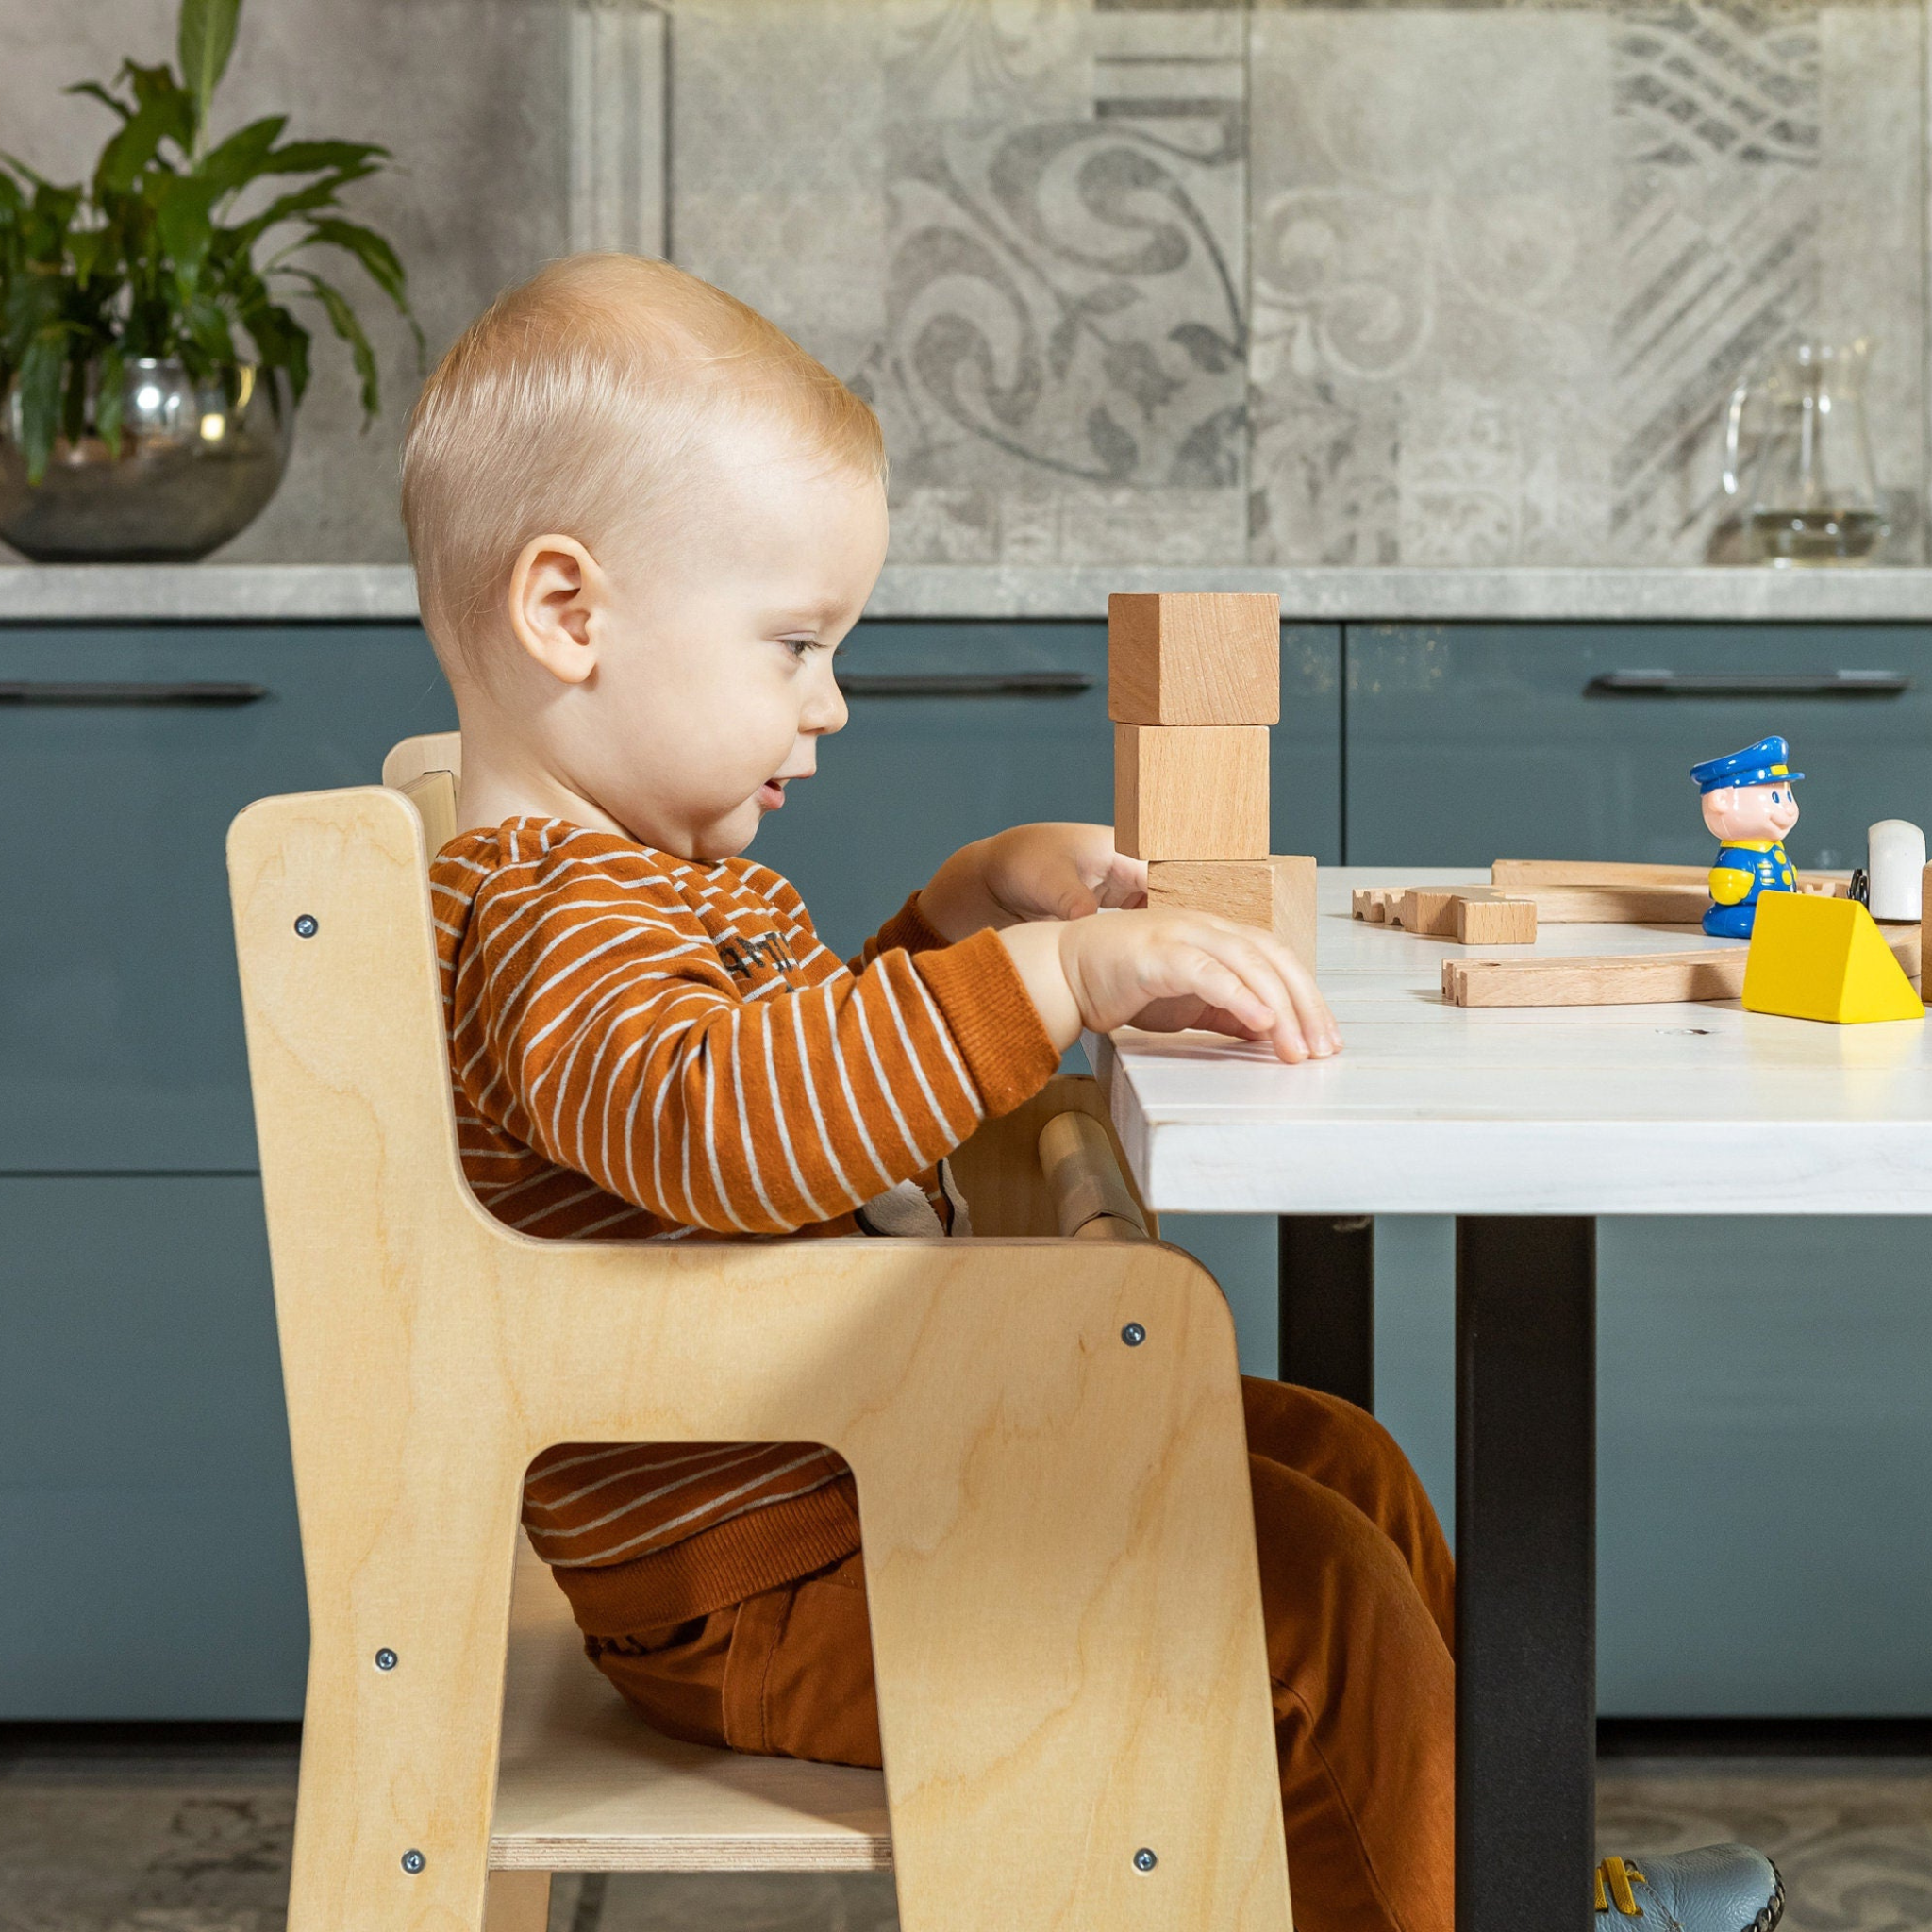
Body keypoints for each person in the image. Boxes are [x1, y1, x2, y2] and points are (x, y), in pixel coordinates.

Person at [399, 252, 1783, 1932]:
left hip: (837, 1495)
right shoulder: (553, 909)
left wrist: (962, 910)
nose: (826, 702)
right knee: (1307, 1589)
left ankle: (1492, 1875)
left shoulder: (625, 886)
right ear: (568, 613)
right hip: (767, 1580)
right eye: (793, 643)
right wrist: (1044, 982)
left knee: (1324, 1458)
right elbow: (723, 1127)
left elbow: (796, 1079)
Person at [1692, 736, 1803, 938]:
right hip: (1745, 912)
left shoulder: (1774, 847)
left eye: (1788, 796)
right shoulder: (1737, 856)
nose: (1788, 808)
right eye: (1775, 798)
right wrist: (1730, 884)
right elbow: (1725, 892)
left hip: (1778, 908)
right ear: (1720, 800)